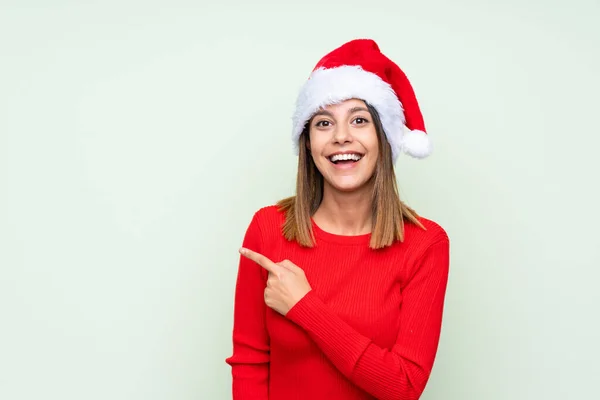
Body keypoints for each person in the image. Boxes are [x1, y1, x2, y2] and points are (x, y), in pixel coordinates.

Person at [225, 38, 450, 400]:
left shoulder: (425, 244)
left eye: (359, 120)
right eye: (324, 122)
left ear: (384, 137)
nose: (341, 137)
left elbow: (404, 387)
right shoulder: (267, 229)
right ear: (308, 142)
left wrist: (305, 308)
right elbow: (251, 361)